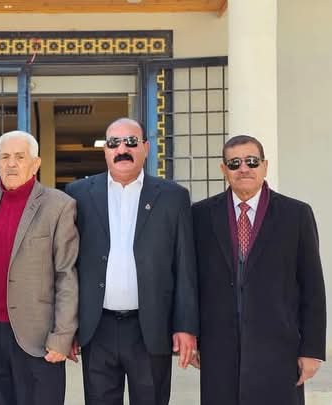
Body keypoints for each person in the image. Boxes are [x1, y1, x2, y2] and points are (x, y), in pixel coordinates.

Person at [65, 118, 198, 405]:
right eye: (114, 143)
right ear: (105, 150)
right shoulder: (78, 194)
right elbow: (68, 266)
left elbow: (185, 265)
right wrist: (68, 326)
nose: (122, 149)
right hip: (97, 327)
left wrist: (186, 326)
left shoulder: (173, 197)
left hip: (150, 327)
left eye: (131, 142)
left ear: (146, 148)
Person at [191, 135, 326, 405]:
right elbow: (190, 283)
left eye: (252, 161)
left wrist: (312, 349)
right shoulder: (200, 215)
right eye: (235, 163)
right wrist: (191, 337)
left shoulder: (296, 214)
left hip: (278, 347)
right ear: (223, 169)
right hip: (219, 348)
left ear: (264, 166)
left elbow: (312, 286)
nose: (244, 169)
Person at [0, 130, 79, 405]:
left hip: (38, 336)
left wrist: (62, 336)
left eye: (20, 157)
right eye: (5, 157)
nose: (11, 164)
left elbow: (66, 275)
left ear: (36, 163)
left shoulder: (59, 205)